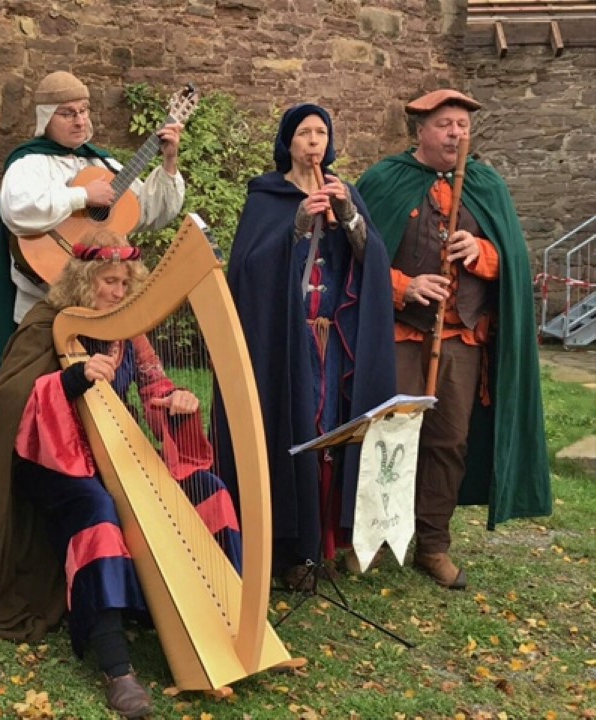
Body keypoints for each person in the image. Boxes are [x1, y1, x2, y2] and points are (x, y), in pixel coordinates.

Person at [0, 229, 241, 719]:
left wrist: (177, 402)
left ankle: (233, 626)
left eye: (124, 283)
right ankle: (118, 670)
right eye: (107, 281)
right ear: (82, 281)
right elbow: (13, 400)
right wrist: (71, 378)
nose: (117, 292)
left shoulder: (127, 332)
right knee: (97, 508)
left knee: (208, 488)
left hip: (114, 449)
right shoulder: (47, 324)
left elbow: (155, 390)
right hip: (51, 458)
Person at [356, 89, 551, 589]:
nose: (456, 134)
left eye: (462, 125)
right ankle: (375, 539)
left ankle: (433, 544)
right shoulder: (385, 180)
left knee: (449, 441)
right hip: (402, 332)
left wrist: (481, 250)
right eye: (445, 124)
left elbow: (513, 261)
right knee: (389, 436)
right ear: (420, 129)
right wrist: (405, 286)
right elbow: (356, 254)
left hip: (461, 338)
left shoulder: (486, 184)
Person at [215, 103, 396, 591]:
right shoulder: (266, 195)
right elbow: (248, 270)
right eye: (303, 133)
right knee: (294, 427)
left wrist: (350, 217)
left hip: (332, 338)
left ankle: (328, 544)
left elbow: (372, 259)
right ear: (287, 143)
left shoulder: (346, 192)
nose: (313, 141)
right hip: (285, 341)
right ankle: (293, 549)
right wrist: (295, 225)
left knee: (331, 431)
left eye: (321, 132)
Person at [0, 70, 186, 430]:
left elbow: (151, 212)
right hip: (47, 307)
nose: (79, 120)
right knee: (45, 413)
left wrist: (168, 163)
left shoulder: (102, 164)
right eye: (68, 113)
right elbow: (18, 211)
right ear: (46, 118)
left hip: (102, 311)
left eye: (85, 111)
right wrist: (82, 197)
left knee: (101, 412)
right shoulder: (29, 163)